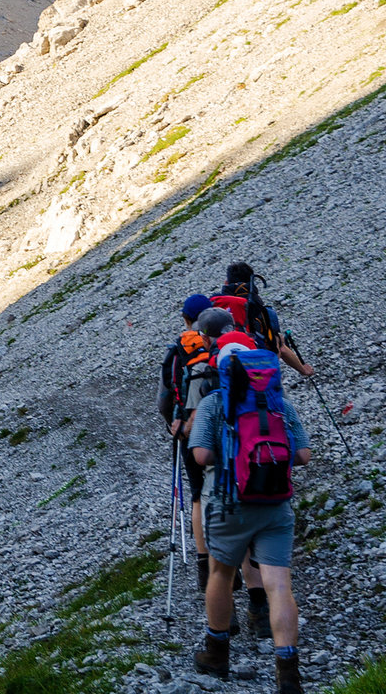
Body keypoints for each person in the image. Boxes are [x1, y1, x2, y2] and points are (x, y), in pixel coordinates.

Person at [190, 334, 312, 694]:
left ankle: (217, 653)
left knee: (221, 573)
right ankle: (288, 673)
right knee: (279, 583)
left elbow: (199, 456)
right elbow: (303, 456)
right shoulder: (281, 405)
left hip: (229, 504)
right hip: (276, 505)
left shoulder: (214, 404)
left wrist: (233, 460)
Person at [159, 294, 219, 589]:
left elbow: (163, 399)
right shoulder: (227, 343)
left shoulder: (178, 350)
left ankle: (204, 564)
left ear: (185, 318)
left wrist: (173, 423)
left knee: (197, 494)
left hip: (191, 430)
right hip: (230, 425)